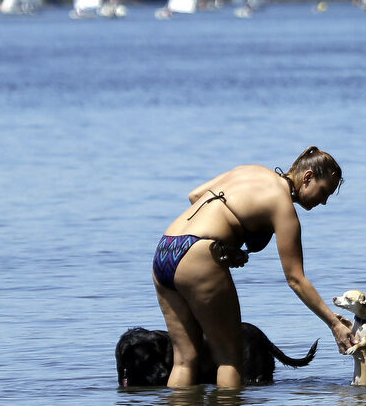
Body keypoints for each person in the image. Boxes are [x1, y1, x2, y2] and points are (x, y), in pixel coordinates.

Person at [152, 146, 355, 387]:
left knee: (185, 360)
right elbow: (295, 279)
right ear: (308, 177)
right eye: (324, 192)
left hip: (166, 248)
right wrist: (333, 323)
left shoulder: (250, 170)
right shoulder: (283, 208)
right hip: (197, 257)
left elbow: (195, 195)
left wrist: (227, 247)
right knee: (229, 359)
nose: (323, 202)